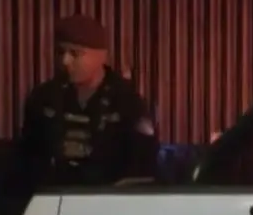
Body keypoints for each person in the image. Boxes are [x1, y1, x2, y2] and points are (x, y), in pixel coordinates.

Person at [16, 14, 158, 191]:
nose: (65, 61)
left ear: (102, 56)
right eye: (60, 52)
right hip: (54, 200)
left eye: (75, 54)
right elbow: (25, 161)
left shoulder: (126, 102)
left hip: (108, 204)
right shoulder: (43, 98)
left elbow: (143, 167)